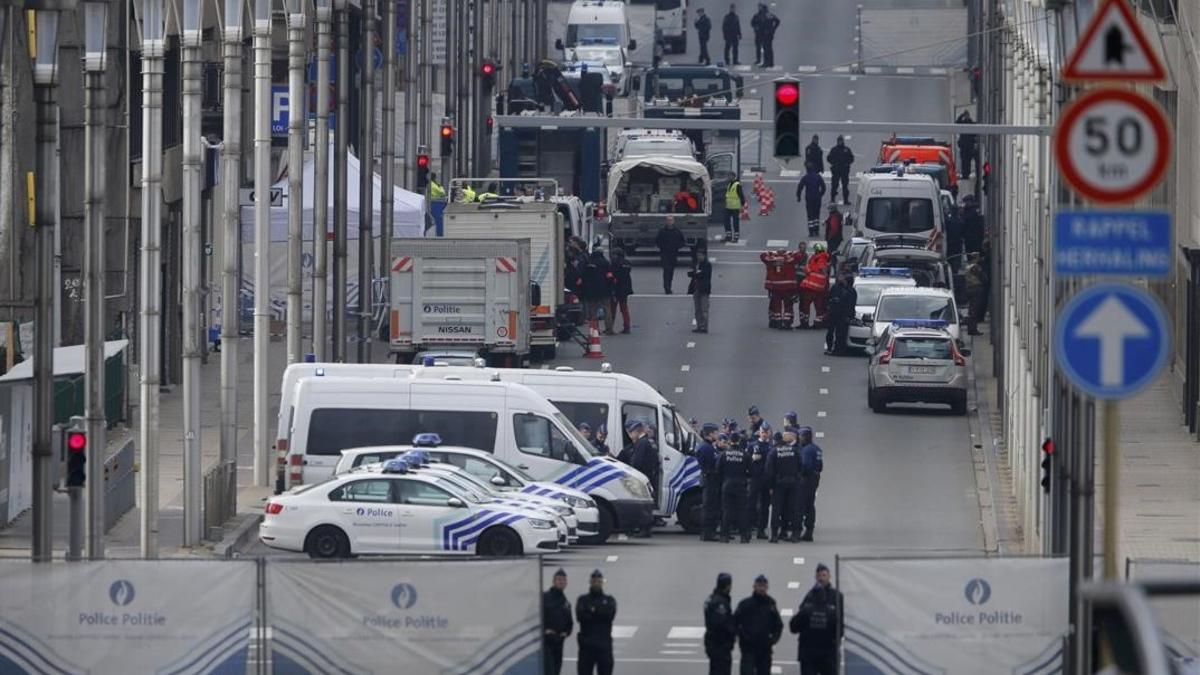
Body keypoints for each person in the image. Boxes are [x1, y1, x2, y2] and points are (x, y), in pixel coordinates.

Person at [789, 563, 843, 675]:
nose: (821, 578)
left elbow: (840, 625)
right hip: (811, 651)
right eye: (819, 575)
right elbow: (795, 625)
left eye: (824, 575)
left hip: (827, 651)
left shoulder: (836, 597)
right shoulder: (809, 598)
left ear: (829, 576)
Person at [734, 575, 783, 675]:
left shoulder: (770, 604)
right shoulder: (745, 604)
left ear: (767, 588)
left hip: (764, 648)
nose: (761, 589)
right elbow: (734, 622)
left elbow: (778, 625)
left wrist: (773, 640)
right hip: (748, 648)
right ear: (754, 587)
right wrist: (742, 636)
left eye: (764, 586)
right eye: (759, 586)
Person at [765, 426, 802, 542]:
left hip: (778, 484)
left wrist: (770, 486)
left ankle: (775, 535)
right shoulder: (795, 451)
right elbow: (801, 466)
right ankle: (795, 534)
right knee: (794, 508)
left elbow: (769, 471)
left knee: (777, 509)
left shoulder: (774, 452)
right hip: (793, 483)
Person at [576, 570, 617, 675]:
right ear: (590, 582)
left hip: (604, 645)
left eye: (598, 581)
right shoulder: (583, 600)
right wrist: (599, 612)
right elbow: (581, 616)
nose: (596, 583)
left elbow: (609, 615)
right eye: (594, 581)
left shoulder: (609, 600)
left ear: (602, 582)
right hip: (586, 645)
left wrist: (593, 610)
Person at [717, 428, 752, 543]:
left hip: (727, 484)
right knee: (742, 511)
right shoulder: (745, 455)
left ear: (730, 441)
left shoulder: (724, 454)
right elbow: (751, 472)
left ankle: (724, 536)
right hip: (741, 484)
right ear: (739, 440)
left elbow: (718, 470)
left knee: (727, 510)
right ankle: (744, 536)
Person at [626, 419, 658, 537]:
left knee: (643, 503)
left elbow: (637, 462)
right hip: (647, 476)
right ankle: (644, 528)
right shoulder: (645, 442)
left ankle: (645, 529)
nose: (629, 435)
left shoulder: (642, 443)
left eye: (630, 432)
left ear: (636, 431)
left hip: (642, 476)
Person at [760, 247, 803, 329]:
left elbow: (762, 255)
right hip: (788, 286)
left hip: (775, 286)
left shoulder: (771, 260)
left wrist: (772, 253)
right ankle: (787, 322)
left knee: (776, 305)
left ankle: (778, 321)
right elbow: (799, 256)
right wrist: (789, 253)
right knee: (788, 305)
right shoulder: (790, 259)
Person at [705, 573, 737, 675]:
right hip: (720, 644)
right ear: (727, 585)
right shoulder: (720, 603)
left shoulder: (711, 598)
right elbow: (722, 624)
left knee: (715, 669)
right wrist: (734, 630)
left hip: (713, 642)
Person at [543, 569, 574, 675]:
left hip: (559, 643)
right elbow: (533, 617)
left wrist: (566, 633)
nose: (561, 582)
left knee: (556, 670)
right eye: (559, 579)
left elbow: (570, 623)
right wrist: (544, 631)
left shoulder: (565, 602)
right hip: (546, 643)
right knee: (549, 671)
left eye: (564, 580)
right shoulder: (544, 598)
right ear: (554, 581)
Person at [796, 427, 824, 542]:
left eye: (801, 436)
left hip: (805, 480)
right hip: (814, 479)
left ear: (806, 437)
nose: (800, 439)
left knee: (800, 506)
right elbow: (820, 466)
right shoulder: (817, 449)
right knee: (810, 505)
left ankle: (797, 531)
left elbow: (805, 466)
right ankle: (809, 531)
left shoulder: (806, 450)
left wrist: (798, 474)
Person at [697, 422, 722, 542]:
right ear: (710, 434)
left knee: (710, 507)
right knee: (710, 508)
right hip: (710, 480)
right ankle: (708, 532)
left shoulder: (708, 446)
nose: (717, 435)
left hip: (709, 479)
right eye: (716, 433)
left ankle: (708, 532)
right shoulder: (706, 448)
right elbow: (710, 466)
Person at [748, 423, 773, 540]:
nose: (764, 434)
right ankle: (747, 528)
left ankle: (761, 530)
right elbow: (745, 459)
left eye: (767, 432)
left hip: (767, 480)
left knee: (765, 506)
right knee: (751, 504)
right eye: (763, 432)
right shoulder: (752, 445)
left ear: (770, 433)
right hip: (754, 478)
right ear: (759, 432)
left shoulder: (772, 446)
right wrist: (751, 459)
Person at [797, 243, 830, 329]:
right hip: (820, 288)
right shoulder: (822, 258)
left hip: (811, 286)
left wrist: (810, 271)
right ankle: (818, 323)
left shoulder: (819, 258)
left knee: (806, 305)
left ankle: (805, 323)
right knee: (819, 306)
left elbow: (810, 268)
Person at [824, 273, 856, 356]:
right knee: (830, 332)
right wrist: (831, 302)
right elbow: (828, 298)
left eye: (844, 279)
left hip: (843, 315)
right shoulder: (835, 287)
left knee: (840, 334)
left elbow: (851, 305)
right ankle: (830, 348)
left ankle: (838, 350)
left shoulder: (851, 291)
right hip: (833, 313)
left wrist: (849, 316)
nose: (842, 280)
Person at [579, 249, 614, 324]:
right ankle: (609, 328)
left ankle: (595, 329)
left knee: (593, 309)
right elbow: (609, 276)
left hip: (592, 291)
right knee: (607, 309)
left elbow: (584, 277)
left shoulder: (589, 264)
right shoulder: (606, 263)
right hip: (604, 290)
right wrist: (611, 288)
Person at [656, 216, 687, 294]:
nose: (669, 222)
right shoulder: (662, 231)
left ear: (673, 221)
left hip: (673, 253)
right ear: (666, 222)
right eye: (668, 220)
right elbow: (657, 241)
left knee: (671, 271)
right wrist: (662, 247)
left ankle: (669, 285)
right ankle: (666, 287)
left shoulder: (677, 232)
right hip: (665, 253)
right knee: (666, 270)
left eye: (671, 220)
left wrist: (677, 247)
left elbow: (682, 241)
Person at [607, 248, 633, 334]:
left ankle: (610, 327)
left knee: (612, 309)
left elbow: (611, 275)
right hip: (625, 288)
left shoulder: (614, 263)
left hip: (616, 288)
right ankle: (627, 326)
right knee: (624, 308)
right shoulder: (627, 263)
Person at [796, 163, 826, 235]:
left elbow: (800, 187)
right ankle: (816, 230)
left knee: (810, 215)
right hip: (817, 198)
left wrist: (798, 197)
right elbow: (824, 187)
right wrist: (820, 195)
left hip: (809, 198)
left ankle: (811, 231)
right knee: (816, 214)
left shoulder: (805, 177)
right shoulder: (818, 177)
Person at [689, 249, 713, 334]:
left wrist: (696, 274)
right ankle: (699, 325)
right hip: (696, 289)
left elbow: (703, 275)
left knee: (704, 309)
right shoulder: (696, 264)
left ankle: (704, 326)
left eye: (700, 255)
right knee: (697, 309)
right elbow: (694, 274)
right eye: (697, 255)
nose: (698, 257)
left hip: (704, 290)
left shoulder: (707, 265)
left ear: (704, 255)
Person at [964, 253, 988, 336]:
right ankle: (973, 329)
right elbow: (983, 278)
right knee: (975, 310)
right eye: (978, 257)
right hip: (976, 289)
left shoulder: (967, 267)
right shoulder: (975, 267)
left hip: (969, 289)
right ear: (975, 258)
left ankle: (971, 328)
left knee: (971, 310)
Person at [825, 136, 854, 204]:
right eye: (839, 141)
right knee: (834, 185)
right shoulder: (834, 149)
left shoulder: (846, 149)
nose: (840, 142)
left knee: (845, 186)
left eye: (841, 141)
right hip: (836, 170)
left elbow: (851, 158)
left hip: (844, 170)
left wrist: (847, 164)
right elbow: (828, 158)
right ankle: (832, 199)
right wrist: (833, 163)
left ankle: (846, 200)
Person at [956, 109, 978, 180]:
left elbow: (975, 133)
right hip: (964, 146)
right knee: (963, 161)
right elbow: (956, 123)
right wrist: (962, 115)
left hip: (969, 146)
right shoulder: (963, 123)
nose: (966, 117)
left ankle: (966, 174)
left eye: (967, 115)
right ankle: (964, 174)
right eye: (965, 115)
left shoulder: (971, 124)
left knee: (967, 161)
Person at [724, 177, 747, 243]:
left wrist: (743, 204)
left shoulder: (737, 185)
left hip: (735, 207)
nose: (728, 177)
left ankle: (736, 237)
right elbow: (727, 195)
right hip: (728, 206)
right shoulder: (729, 184)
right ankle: (728, 236)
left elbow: (741, 195)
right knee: (726, 221)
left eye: (729, 176)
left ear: (733, 176)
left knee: (735, 222)